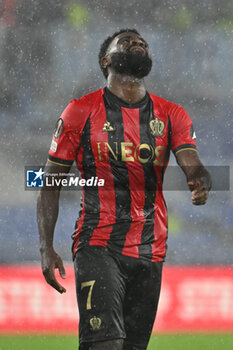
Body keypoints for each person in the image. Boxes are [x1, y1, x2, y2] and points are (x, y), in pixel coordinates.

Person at [37, 28, 211, 350]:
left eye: (142, 42)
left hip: (151, 249)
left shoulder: (171, 114)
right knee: (106, 344)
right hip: (98, 243)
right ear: (107, 61)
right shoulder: (80, 111)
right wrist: (46, 247)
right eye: (127, 41)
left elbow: (191, 162)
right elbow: (49, 182)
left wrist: (200, 178)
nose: (138, 44)